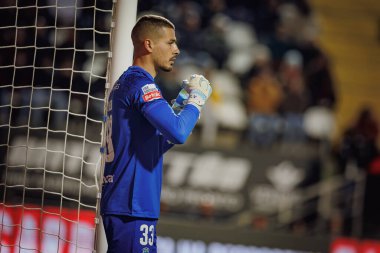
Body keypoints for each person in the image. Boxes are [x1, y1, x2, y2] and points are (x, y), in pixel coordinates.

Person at [100, 14, 212, 253]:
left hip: (132, 206)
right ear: (149, 44)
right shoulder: (141, 85)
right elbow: (179, 133)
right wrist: (196, 101)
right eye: (170, 42)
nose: (177, 49)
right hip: (131, 205)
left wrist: (181, 107)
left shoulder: (130, 83)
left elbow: (158, 142)